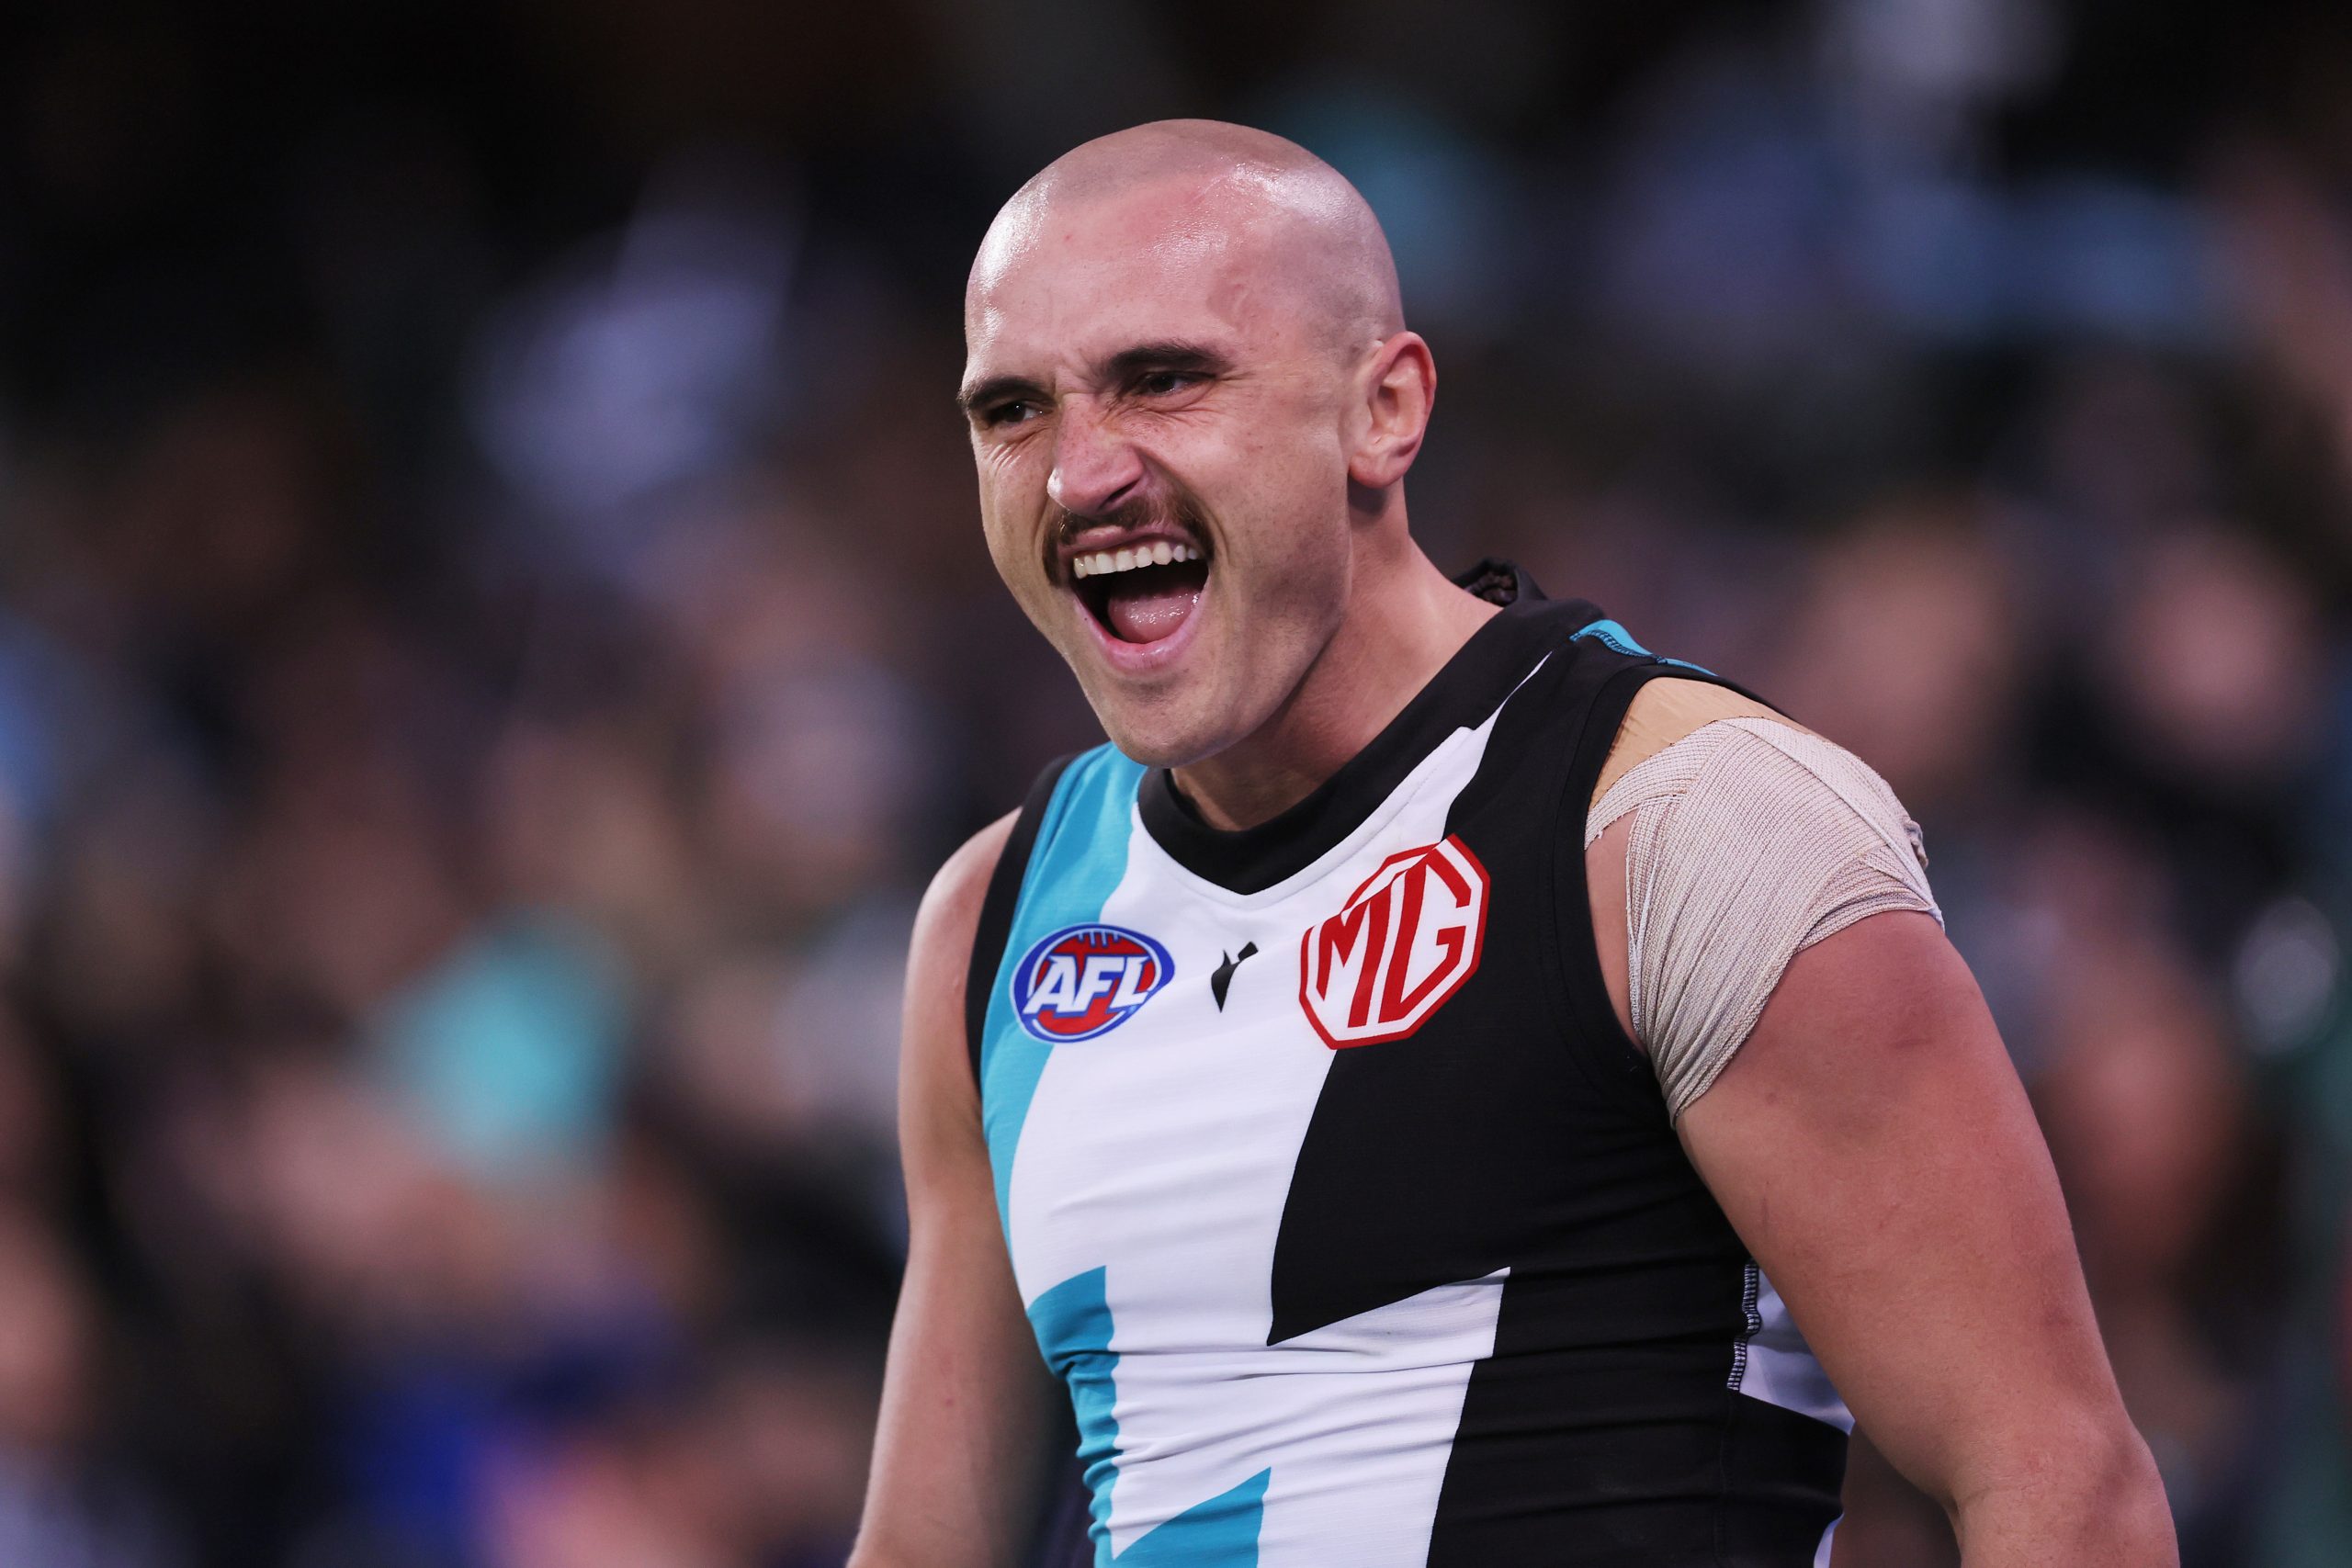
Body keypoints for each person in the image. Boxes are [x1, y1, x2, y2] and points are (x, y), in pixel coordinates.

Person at [850, 119, 2175, 1567]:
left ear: (1387, 410)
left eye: (1164, 381)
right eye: (1012, 412)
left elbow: (2059, 1486)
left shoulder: (1685, 823)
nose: (1076, 476)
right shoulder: (992, 918)